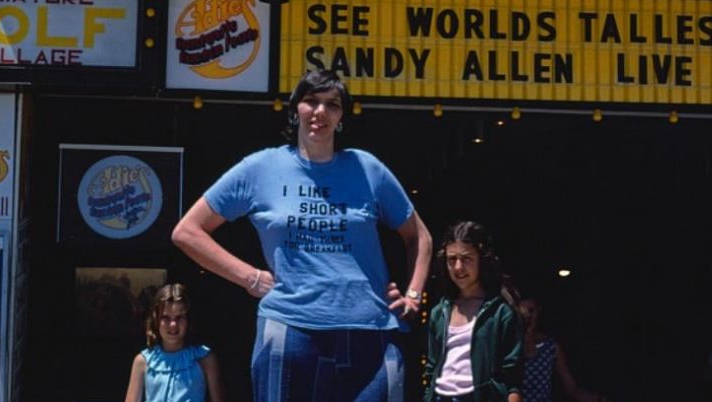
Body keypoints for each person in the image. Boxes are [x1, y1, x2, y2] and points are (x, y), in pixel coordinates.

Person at [171, 69, 433, 402]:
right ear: (295, 109)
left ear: (341, 117)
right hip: (290, 329)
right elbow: (187, 232)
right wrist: (250, 277)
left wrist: (413, 295)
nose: (320, 111)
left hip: (370, 331)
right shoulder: (260, 168)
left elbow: (419, 237)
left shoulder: (367, 168)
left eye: (332, 104)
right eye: (311, 101)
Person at [423, 220, 524, 402]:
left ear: (482, 260)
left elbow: (513, 377)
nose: (458, 267)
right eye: (451, 259)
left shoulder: (501, 312)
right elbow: (431, 369)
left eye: (466, 258)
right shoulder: (439, 312)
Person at [123, 283, 224, 402]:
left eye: (179, 318)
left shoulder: (204, 359)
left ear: (188, 320)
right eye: (165, 318)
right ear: (156, 320)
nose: (173, 325)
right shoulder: (143, 361)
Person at [520, 295, 605, 402]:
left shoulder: (550, 347)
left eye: (531, 311)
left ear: (539, 311)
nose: (528, 316)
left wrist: (599, 400)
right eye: (523, 313)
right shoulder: (507, 345)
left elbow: (572, 389)